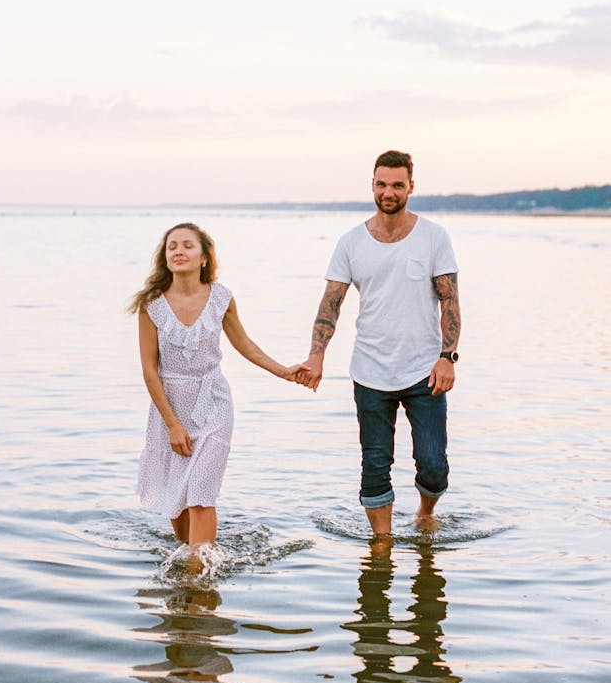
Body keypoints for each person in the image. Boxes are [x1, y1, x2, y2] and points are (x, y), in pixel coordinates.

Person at [297, 150, 461, 536]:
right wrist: (316, 356)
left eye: (397, 185)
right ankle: (381, 547)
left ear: (410, 188)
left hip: (425, 371)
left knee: (434, 465)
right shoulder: (351, 242)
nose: (389, 192)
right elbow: (330, 304)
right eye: (382, 184)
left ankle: (424, 513)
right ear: (372, 185)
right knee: (374, 465)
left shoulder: (434, 237)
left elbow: (450, 301)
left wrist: (447, 357)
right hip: (370, 371)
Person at [129, 222, 305, 550]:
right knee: (177, 497)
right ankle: (189, 557)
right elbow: (149, 372)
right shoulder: (151, 305)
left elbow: (245, 345)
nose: (179, 251)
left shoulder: (221, 298)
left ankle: (200, 576)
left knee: (200, 493)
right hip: (169, 406)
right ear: (165, 258)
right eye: (172, 247)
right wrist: (172, 425)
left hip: (213, 401)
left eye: (187, 245)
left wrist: (284, 372)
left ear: (205, 257)